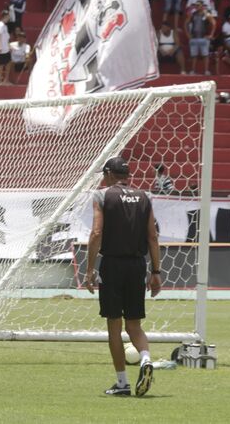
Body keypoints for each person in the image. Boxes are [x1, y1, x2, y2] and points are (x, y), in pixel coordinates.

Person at [84, 156, 160, 398]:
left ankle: (122, 383)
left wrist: (89, 269)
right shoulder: (145, 197)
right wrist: (156, 272)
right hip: (137, 265)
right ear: (127, 176)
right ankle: (146, 358)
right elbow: (152, 237)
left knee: (114, 327)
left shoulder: (102, 196)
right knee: (135, 325)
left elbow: (97, 232)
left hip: (113, 266)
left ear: (107, 174)